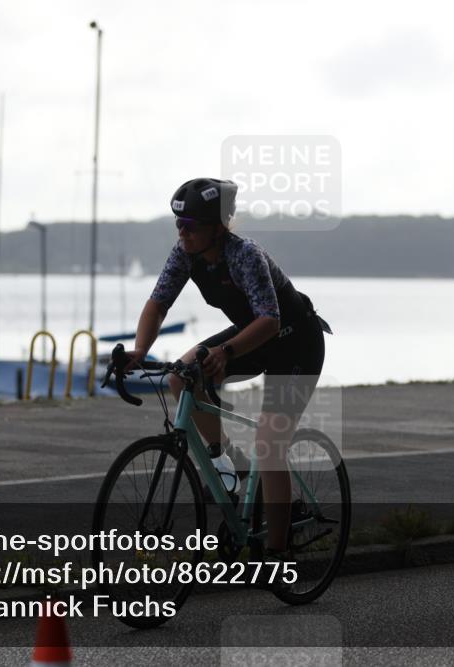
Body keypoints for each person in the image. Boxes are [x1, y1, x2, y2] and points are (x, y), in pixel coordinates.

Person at [125, 177, 331, 558]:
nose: (182, 233)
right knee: (179, 375)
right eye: (178, 224)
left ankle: (275, 552)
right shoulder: (185, 253)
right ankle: (229, 465)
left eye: (190, 226)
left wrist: (227, 352)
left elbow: (269, 320)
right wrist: (140, 349)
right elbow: (158, 305)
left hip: (296, 339)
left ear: (218, 227)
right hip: (252, 336)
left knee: (270, 444)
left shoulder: (244, 255)